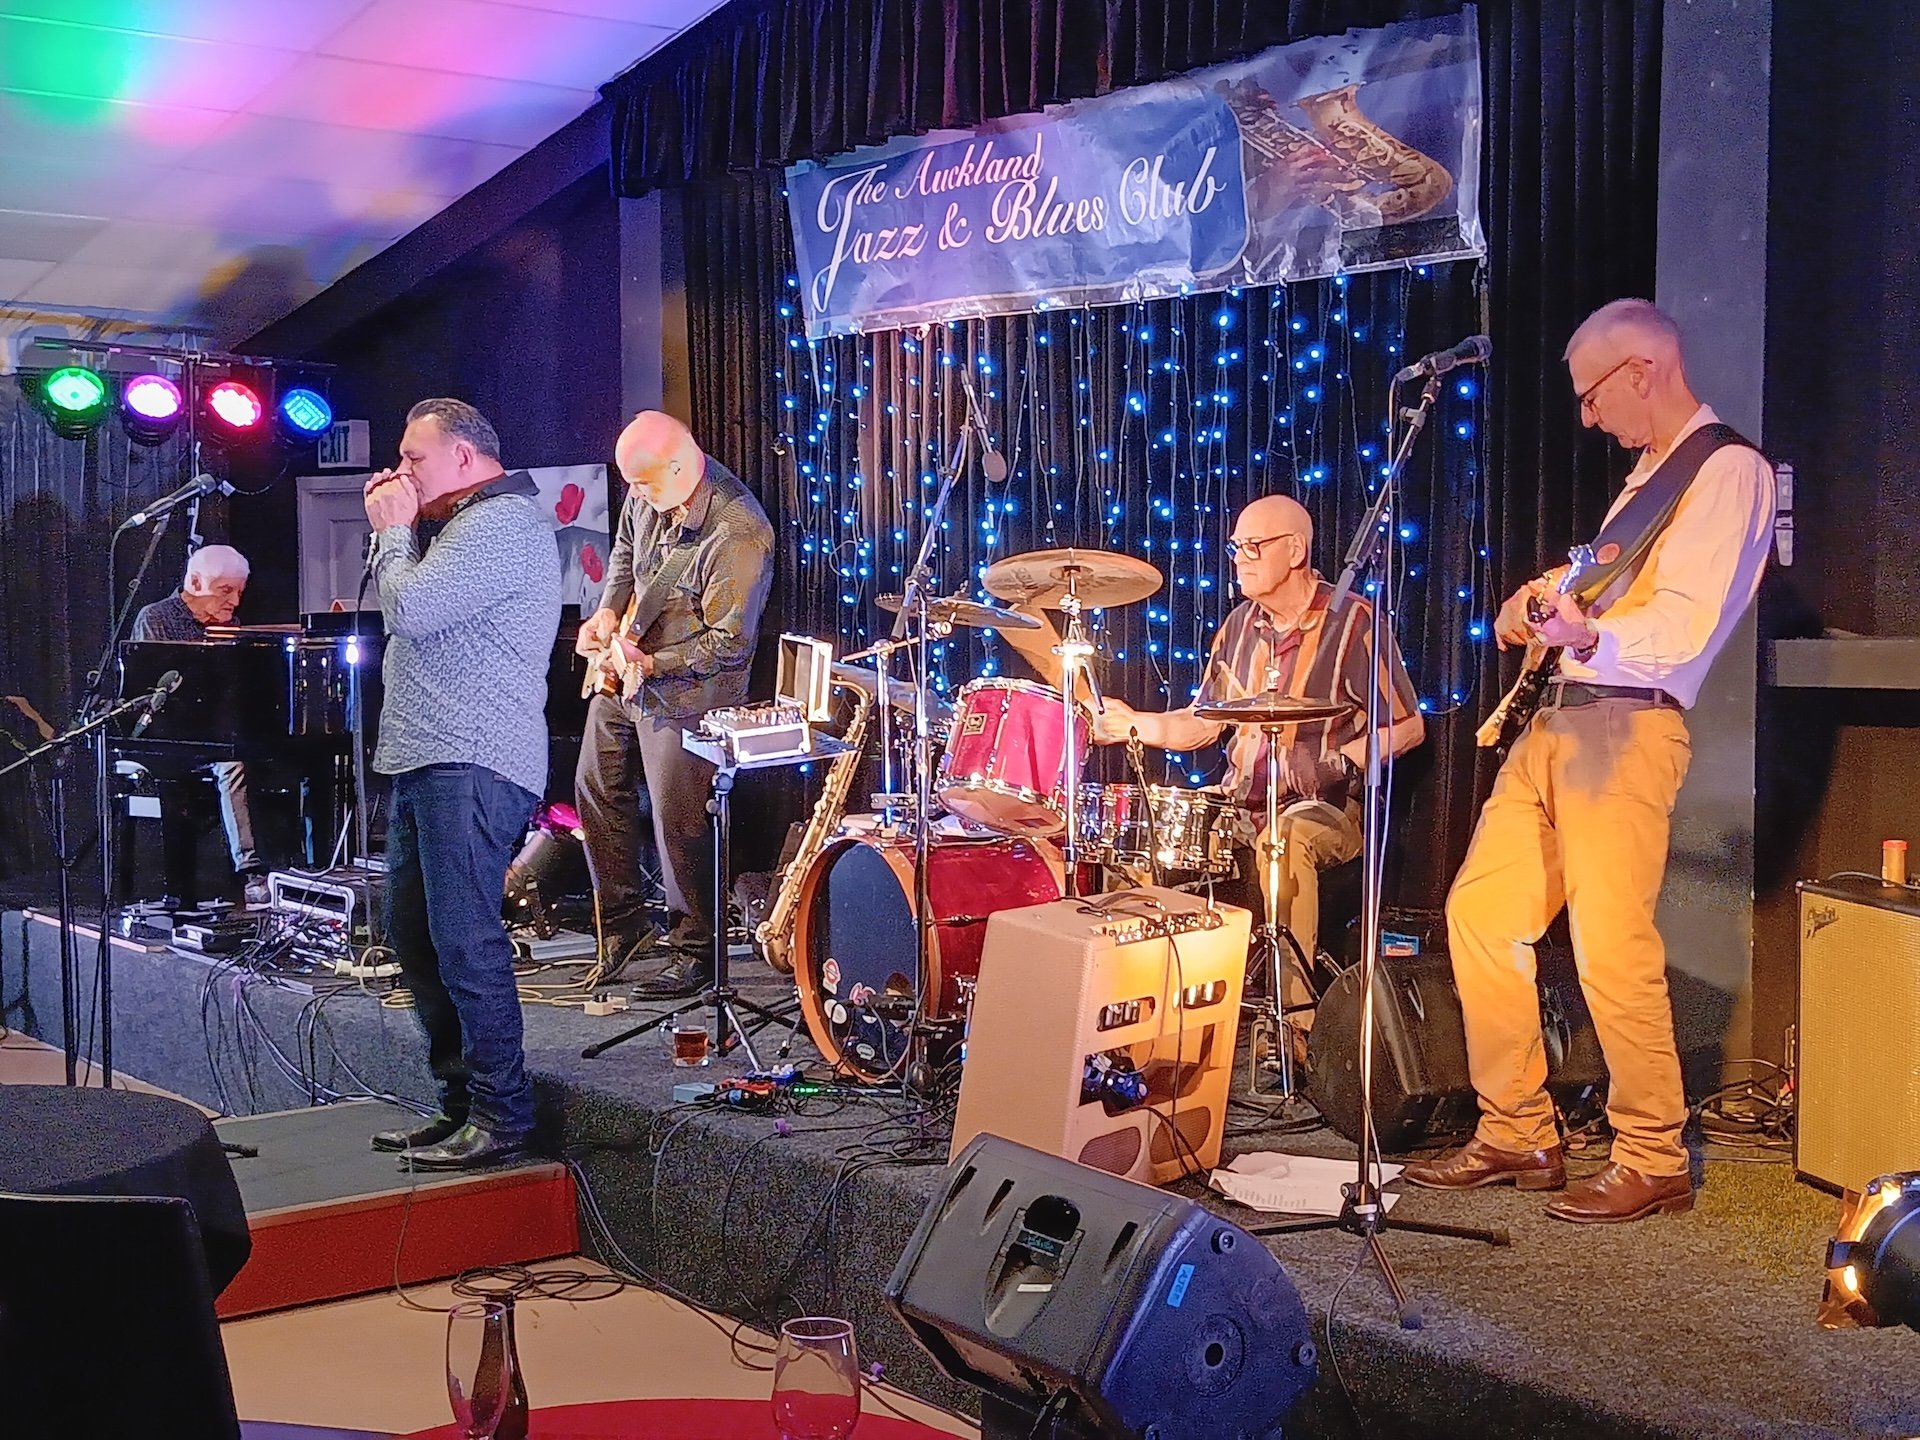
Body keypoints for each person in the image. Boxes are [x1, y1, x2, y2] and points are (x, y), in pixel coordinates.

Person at [1403, 299, 1773, 1223]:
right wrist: (1540, 605)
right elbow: (1597, 599)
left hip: (1626, 729)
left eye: (1593, 395)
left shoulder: (1727, 471)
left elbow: (1683, 624)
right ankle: (1517, 1130)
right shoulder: (1645, 480)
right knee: (1482, 916)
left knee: (1612, 946)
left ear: (1642, 370)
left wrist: (1585, 632)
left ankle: (1653, 1154)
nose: (1588, 416)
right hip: (1554, 726)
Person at [1092, 494, 1425, 1028]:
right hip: (1238, 806)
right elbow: (1204, 722)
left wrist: (1340, 760)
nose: (1239, 559)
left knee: (1282, 842)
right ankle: (1137, 1020)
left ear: (1294, 550)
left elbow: (1409, 727)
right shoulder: (1239, 626)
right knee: (1133, 840)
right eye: (1235, 548)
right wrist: (1136, 723)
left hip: (1326, 811)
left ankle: (1293, 1028)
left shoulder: (1354, 622)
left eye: (1252, 546)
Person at [361, 398, 561, 1170]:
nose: (401, 471)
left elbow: (410, 609)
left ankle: (502, 1114)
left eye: (414, 457)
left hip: (471, 759)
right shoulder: (464, 525)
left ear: (465, 457)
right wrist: (401, 533)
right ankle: (459, 1106)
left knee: (464, 940)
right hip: (429, 757)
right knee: (417, 937)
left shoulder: (500, 524)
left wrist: (391, 533)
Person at [574, 411, 774, 999]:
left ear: (681, 467)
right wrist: (608, 611)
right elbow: (624, 554)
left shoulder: (738, 530)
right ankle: (624, 924)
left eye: (643, 484)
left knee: (678, 820)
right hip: (630, 669)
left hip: (692, 689)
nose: (635, 495)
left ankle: (696, 949)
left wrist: (653, 663)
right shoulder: (648, 492)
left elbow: (730, 643)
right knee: (594, 786)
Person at [129, 544, 268, 907]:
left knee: (259, 756)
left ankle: (298, 872)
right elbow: (148, 691)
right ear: (194, 583)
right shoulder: (155, 618)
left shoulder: (228, 624)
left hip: (215, 733)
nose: (234, 602)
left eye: (239, 592)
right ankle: (248, 870)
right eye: (226, 590)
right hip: (167, 738)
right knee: (232, 764)